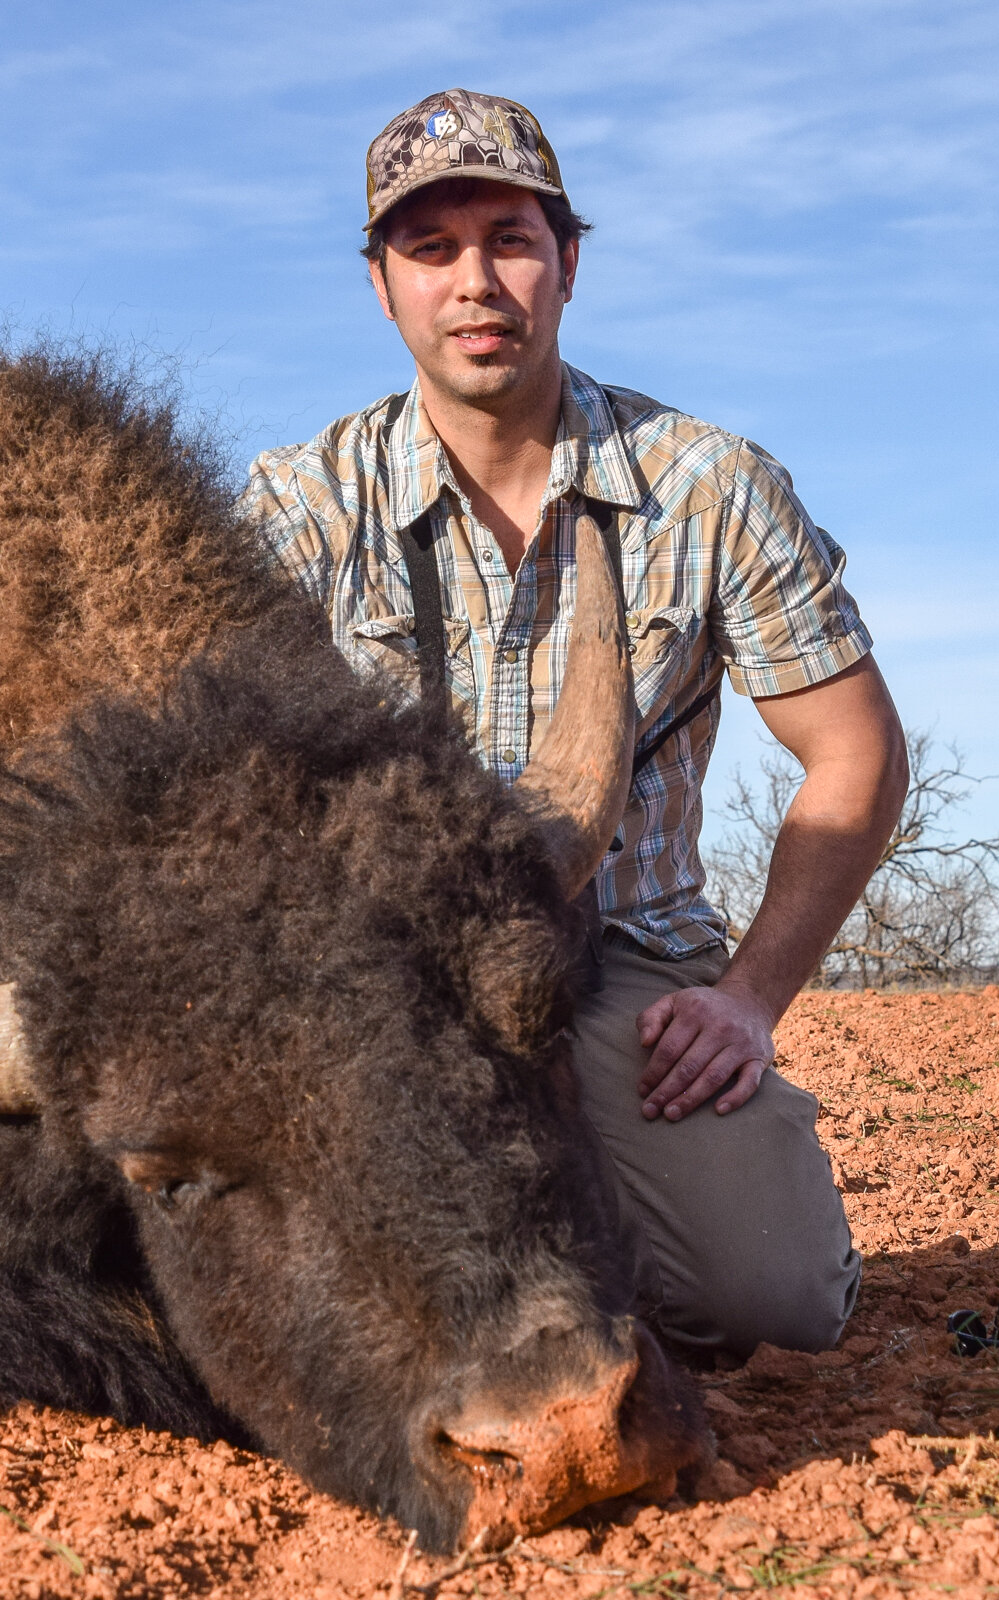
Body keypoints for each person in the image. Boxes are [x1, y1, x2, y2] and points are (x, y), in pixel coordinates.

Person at [238, 89, 909, 1363]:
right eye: (430, 250)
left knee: (774, 1298)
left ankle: (647, 1211)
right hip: (388, 985)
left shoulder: (711, 483)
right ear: (382, 286)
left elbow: (857, 755)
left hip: (621, 968)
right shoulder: (296, 505)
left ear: (568, 262)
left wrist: (750, 1001)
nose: (475, 281)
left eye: (510, 238)